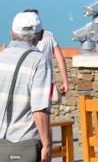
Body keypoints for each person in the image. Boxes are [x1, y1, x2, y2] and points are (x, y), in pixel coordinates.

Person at [1, 11, 53, 162]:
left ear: (12, 34)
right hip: (25, 145)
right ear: (41, 35)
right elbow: (39, 108)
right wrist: (47, 145)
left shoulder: (1, 58)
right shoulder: (39, 61)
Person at [23, 9, 70, 105]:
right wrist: (65, 82)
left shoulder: (22, 38)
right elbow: (60, 59)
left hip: (28, 84)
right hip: (48, 84)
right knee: (45, 114)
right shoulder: (49, 35)